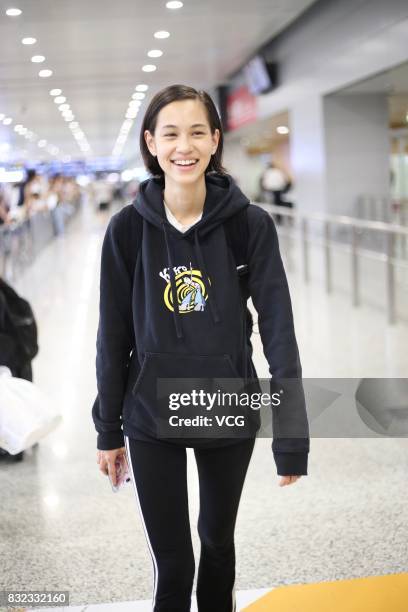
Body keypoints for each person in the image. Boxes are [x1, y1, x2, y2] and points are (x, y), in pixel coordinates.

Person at [93, 84, 310, 612]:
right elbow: (113, 335)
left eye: (196, 132)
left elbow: (279, 330)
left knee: (216, 548)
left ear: (215, 141)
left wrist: (292, 437)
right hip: (151, 418)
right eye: (170, 133)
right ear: (151, 142)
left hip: (226, 409)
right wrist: (108, 429)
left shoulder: (248, 225)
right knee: (173, 562)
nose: (183, 146)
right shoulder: (126, 232)